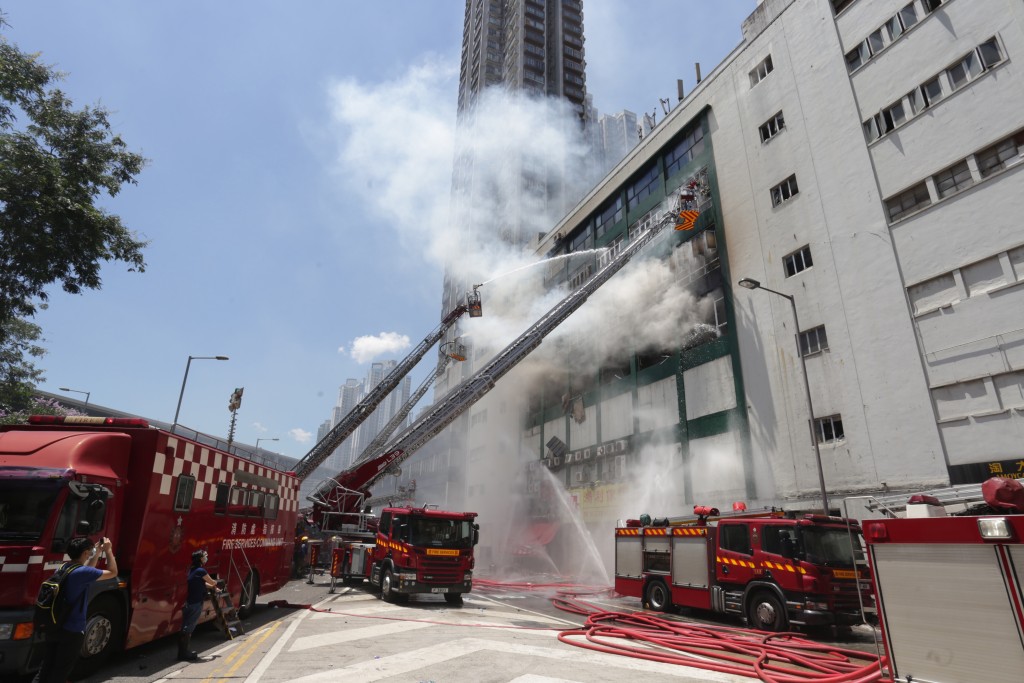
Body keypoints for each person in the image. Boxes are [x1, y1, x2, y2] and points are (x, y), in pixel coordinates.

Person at [32, 536, 118, 683]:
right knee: (59, 673)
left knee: (45, 668)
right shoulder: (82, 573)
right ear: (84, 553)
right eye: (89, 552)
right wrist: (109, 551)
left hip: (54, 625)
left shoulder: (64, 568)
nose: (90, 554)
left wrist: (97, 553)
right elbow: (112, 572)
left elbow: (88, 571)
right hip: (72, 630)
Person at [179, 549, 218, 661]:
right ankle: (185, 654)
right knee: (189, 629)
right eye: (204, 556)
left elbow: (202, 583)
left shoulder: (193, 570)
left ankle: (182, 652)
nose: (206, 557)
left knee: (185, 627)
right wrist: (215, 584)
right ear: (200, 559)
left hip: (189, 603)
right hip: (196, 603)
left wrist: (213, 587)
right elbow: (211, 582)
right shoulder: (201, 570)